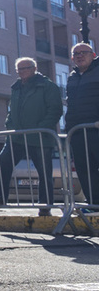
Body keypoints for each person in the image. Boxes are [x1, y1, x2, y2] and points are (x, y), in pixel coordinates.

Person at [0, 57, 62, 215]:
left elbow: (55, 110)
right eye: (19, 69)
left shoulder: (47, 86)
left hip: (40, 137)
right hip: (17, 137)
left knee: (44, 173)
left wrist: (40, 128)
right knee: (3, 162)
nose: (22, 71)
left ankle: (45, 207)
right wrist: (9, 125)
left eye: (26, 68)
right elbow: (11, 112)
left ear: (34, 68)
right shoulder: (16, 88)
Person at [65, 43, 99, 208]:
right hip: (78, 131)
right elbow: (71, 104)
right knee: (85, 170)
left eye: (83, 52)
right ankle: (93, 203)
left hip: (96, 128)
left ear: (93, 55)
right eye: (75, 53)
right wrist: (68, 128)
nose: (79, 55)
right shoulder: (72, 77)